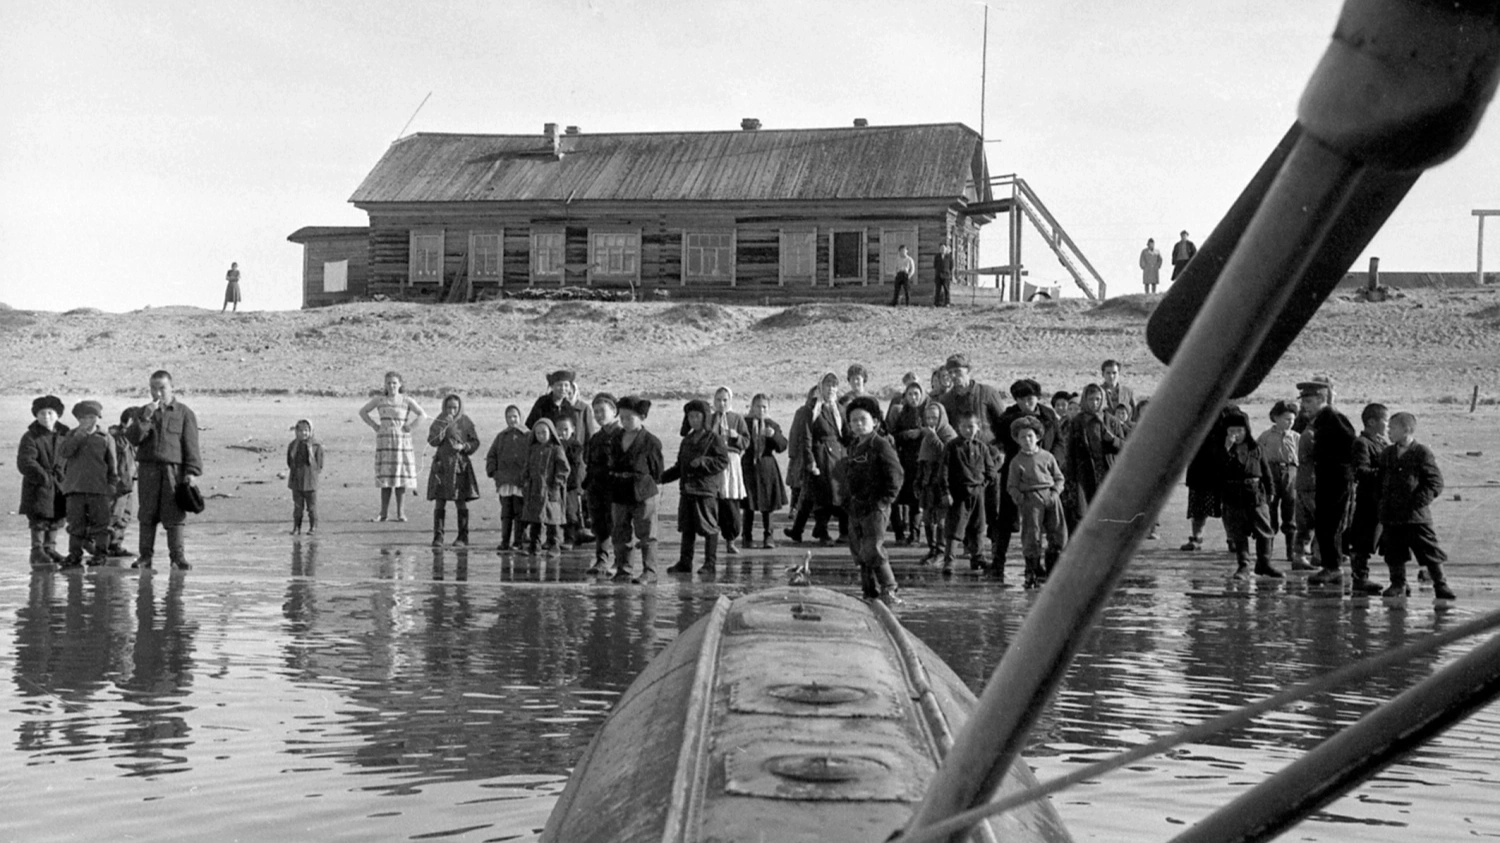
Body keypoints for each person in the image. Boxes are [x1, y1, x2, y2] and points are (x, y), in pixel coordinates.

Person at [125, 370, 201, 570]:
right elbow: (133, 438)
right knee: (147, 513)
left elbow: (191, 444)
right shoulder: (142, 412)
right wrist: (145, 418)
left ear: (171, 387)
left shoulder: (184, 413)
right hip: (148, 469)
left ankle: (177, 557)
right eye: (153, 388)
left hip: (173, 471)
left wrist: (191, 472)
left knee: (174, 514)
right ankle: (145, 557)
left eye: (162, 388)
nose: (157, 393)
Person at [1378, 412, 1455, 600]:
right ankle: (1398, 584)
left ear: (1406, 430)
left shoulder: (1421, 452)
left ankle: (1440, 584)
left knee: (1429, 550)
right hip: (1391, 514)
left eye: (1393, 428)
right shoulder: (1387, 453)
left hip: (1416, 516)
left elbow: (1435, 482)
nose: (1389, 432)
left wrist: (1417, 502)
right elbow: (1380, 480)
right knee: (1393, 552)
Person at [993, 380, 1061, 580]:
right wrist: (1025, 417)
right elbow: (1001, 439)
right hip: (1016, 474)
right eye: (1021, 399)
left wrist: (1051, 460)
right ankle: (999, 563)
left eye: (1030, 398)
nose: (1026, 403)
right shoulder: (1008, 417)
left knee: (1050, 524)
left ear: (1037, 398)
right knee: (1006, 520)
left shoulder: (1048, 415)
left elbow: (1059, 441)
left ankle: (1046, 566)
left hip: (1045, 477)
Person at [840, 397, 904, 605]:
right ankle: (869, 591)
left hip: (876, 506)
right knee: (860, 551)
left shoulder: (881, 445)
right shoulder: (854, 446)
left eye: (863, 419)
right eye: (854, 421)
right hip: (856, 506)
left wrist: (885, 500)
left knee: (872, 548)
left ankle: (889, 588)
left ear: (875, 421)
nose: (858, 424)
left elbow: (896, 474)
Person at [662, 399, 729, 574]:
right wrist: (662, 478)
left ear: (705, 417)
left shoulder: (714, 439)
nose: (693, 420)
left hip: (705, 490)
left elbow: (723, 461)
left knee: (708, 526)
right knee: (687, 528)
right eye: (690, 417)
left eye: (697, 416)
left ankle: (710, 563)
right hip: (687, 489)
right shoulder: (687, 440)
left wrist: (703, 462)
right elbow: (679, 467)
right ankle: (685, 562)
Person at [1303, 376, 1359, 587]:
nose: (1304, 405)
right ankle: (1330, 566)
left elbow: (1350, 445)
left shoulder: (1333, 417)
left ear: (1321, 398)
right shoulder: (1323, 418)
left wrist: (1344, 471)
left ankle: (1332, 567)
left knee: (1330, 524)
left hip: (1336, 478)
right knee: (1324, 523)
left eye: (1308, 401)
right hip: (1327, 477)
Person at [1217, 408, 1283, 580]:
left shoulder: (1256, 448)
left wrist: (1271, 491)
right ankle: (1243, 565)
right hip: (1233, 496)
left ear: (1246, 430)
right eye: (1231, 431)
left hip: (1256, 494)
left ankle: (1264, 563)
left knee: (1264, 530)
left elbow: (1266, 471)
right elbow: (1217, 470)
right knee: (1238, 532)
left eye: (1239, 430)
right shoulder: (1222, 450)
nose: (1236, 434)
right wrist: (1226, 448)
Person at [785, 373, 847, 545]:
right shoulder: (811, 409)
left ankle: (808, 530)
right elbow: (806, 437)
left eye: (834, 385)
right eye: (828, 385)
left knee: (831, 495)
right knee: (821, 495)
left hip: (837, 457)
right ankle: (822, 532)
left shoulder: (839, 409)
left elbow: (845, 434)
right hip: (819, 456)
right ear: (821, 387)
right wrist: (810, 461)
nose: (831, 389)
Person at [358, 371, 427, 522]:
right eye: (389, 383)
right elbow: (363, 412)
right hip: (385, 441)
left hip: (402, 441)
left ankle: (401, 513)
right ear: (385, 385)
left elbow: (422, 414)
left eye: (394, 383)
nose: (391, 386)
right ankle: (383, 513)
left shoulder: (406, 400)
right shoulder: (379, 400)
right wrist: (374, 425)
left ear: (400, 384)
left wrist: (410, 426)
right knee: (386, 478)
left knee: (400, 478)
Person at [1006, 416, 1067, 588]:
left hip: (1050, 496)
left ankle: (1052, 570)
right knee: (1032, 535)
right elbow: (1011, 486)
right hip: (1030, 500)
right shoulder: (1016, 462)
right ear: (1017, 440)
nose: (1027, 440)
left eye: (1030, 436)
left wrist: (1055, 492)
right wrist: (1020, 498)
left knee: (1057, 532)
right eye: (1023, 437)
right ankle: (1031, 571)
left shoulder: (1047, 457)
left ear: (1038, 437)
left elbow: (1059, 478)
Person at [608, 397, 664, 583]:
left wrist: (641, 480)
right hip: (619, 490)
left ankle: (650, 571)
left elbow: (657, 470)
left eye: (629, 418)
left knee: (647, 533)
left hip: (642, 491)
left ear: (641, 417)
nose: (624, 422)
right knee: (620, 532)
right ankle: (624, 569)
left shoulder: (651, 441)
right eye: (621, 418)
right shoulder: (616, 437)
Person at [58, 400, 117, 568]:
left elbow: (112, 465)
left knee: (101, 525)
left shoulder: (105, 438)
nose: (91, 421)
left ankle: (100, 554)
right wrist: (78, 436)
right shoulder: (71, 435)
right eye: (86, 418)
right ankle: (74, 554)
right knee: (76, 525)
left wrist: (112, 486)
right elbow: (64, 452)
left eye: (93, 417)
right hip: (75, 488)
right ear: (78, 419)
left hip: (99, 489)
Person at [942, 411, 997, 576]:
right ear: (958, 428)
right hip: (958, 493)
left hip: (978, 493)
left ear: (978, 428)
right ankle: (949, 561)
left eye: (971, 427)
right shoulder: (952, 447)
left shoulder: (982, 447)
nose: (968, 430)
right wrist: (946, 492)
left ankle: (978, 557)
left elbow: (991, 471)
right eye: (964, 427)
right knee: (955, 528)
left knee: (978, 527)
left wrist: (982, 486)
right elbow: (943, 471)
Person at [18, 395, 69, 568]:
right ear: (36, 415)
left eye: (50, 413)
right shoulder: (30, 436)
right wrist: (43, 477)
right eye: (41, 413)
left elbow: (71, 456)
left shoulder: (65, 434)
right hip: (38, 484)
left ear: (58, 415)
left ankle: (50, 548)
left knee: (57, 514)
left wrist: (65, 476)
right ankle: (37, 550)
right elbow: (26, 461)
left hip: (60, 481)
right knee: (39, 516)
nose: (46, 417)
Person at [1345, 403, 1390, 595]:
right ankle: (1360, 578)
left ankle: (1398, 579)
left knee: (1386, 540)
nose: (1387, 426)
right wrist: (1386, 473)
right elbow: (1361, 471)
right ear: (1372, 422)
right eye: (1385, 421)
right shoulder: (1362, 443)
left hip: (1382, 499)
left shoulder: (1382, 443)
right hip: (1368, 500)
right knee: (1362, 541)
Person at [1063, 383, 1126, 521]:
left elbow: (1125, 447)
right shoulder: (1078, 422)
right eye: (1091, 399)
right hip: (1084, 471)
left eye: (1098, 399)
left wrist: (1113, 439)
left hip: (1107, 468)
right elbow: (1070, 450)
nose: (1094, 403)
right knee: (1085, 509)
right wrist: (1070, 476)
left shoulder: (1111, 421)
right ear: (1085, 400)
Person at [427, 394, 481, 548]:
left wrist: (464, 447)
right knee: (440, 500)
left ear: (459, 407)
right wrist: (443, 427)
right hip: (442, 465)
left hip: (459, 465)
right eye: (449, 407)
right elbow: (432, 441)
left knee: (460, 500)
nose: (451, 410)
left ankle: (463, 536)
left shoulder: (465, 421)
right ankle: (438, 536)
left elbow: (475, 442)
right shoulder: (439, 420)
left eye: (454, 408)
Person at [886, 381, 934, 545]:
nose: (913, 398)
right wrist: (910, 434)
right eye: (910, 394)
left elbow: (931, 434)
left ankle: (914, 535)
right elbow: (893, 435)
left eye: (916, 394)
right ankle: (899, 533)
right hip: (902, 459)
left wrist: (918, 433)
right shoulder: (900, 412)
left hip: (920, 460)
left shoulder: (927, 413)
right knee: (896, 497)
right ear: (905, 396)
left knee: (916, 500)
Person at [1255, 400, 1300, 563]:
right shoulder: (1265, 436)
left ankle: (1291, 552)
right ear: (1275, 418)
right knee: (1270, 511)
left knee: (1291, 513)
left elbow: (1301, 459)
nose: (1290, 423)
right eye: (1286, 419)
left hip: (1291, 473)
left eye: (1292, 420)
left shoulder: (1296, 437)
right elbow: (1257, 457)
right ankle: (1267, 552)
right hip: (1270, 473)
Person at [741, 394, 788, 549]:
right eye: (758, 406)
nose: (761, 410)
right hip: (748, 465)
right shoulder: (745, 423)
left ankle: (769, 536)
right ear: (752, 407)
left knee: (768, 504)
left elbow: (782, 446)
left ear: (768, 409)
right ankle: (746, 535)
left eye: (764, 407)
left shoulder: (772, 425)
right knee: (748, 503)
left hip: (767, 466)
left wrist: (773, 436)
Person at [582, 393, 621, 572]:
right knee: (599, 526)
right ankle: (601, 559)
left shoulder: (621, 435)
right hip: (596, 488)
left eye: (602, 411)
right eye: (595, 412)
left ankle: (620, 562)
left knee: (618, 526)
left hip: (615, 488)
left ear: (614, 411)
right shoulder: (595, 438)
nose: (599, 415)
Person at [710, 386, 751, 554]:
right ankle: (711, 541)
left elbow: (747, 441)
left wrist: (737, 437)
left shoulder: (737, 418)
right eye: (719, 400)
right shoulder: (710, 419)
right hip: (713, 463)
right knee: (714, 501)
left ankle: (731, 540)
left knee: (731, 502)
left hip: (731, 462)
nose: (722, 403)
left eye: (725, 400)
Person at [915, 402, 957, 564]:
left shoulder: (948, 433)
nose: (931, 421)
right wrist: (918, 481)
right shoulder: (927, 435)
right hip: (928, 479)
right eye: (928, 418)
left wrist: (933, 437)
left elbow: (948, 455)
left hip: (942, 480)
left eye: (934, 417)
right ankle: (932, 548)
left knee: (941, 519)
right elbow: (922, 459)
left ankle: (941, 550)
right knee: (927, 517)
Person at [520, 418, 569, 554]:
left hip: (550, 489)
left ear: (551, 432)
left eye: (544, 432)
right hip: (534, 489)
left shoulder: (556, 449)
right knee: (534, 519)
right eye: (538, 433)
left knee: (552, 519)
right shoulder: (533, 449)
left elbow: (564, 468)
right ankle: (534, 546)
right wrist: (525, 481)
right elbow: (527, 466)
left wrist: (556, 483)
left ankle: (554, 545)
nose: (541, 436)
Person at [484, 405, 530, 551]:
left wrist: (528, 474)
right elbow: (492, 455)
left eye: (515, 416)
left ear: (520, 417)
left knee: (519, 512)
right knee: (506, 512)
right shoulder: (501, 437)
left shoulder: (528, 436)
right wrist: (493, 471)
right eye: (509, 417)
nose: (512, 420)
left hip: (520, 481)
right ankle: (504, 541)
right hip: (504, 481)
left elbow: (533, 455)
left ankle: (518, 541)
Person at [106, 408, 137, 558]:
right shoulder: (116, 437)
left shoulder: (133, 438)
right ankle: (101, 545)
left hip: (130, 481)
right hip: (118, 482)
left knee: (125, 514)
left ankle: (115, 545)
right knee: (114, 514)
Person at [286, 419, 324, 536]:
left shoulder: (316, 446)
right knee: (298, 508)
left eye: (306, 431)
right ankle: (296, 528)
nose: (303, 433)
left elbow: (319, 464)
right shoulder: (293, 446)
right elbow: (289, 462)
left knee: (311, 508)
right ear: (296, 431)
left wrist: (312, 474)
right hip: (296, 482)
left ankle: (313, 527)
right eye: (301, 430)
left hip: (311, 482)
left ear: (311, 431)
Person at [556, 416, 585, 549]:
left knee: (570, 512)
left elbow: (574, 461)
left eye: (565, 429)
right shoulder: (554, 445)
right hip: (558, 483)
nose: (562, 433)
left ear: (572, 430)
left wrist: (564, 445)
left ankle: (570, 539)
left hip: (572, 484)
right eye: (559, 430)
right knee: (558, 511)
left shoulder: (575, 445)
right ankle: (556, 538)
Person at [933, 241, 954, 307]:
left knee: (946, 290)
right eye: (941, 248)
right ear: (939, 249)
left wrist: (948, 273)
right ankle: (936, 303)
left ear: (946, 249)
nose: (942, 249)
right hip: (938, 275)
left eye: (944, 248)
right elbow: (935, 265)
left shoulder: (949, 257)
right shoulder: (937, 256)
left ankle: (947, 303)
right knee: (937, 290)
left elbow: (951, 266)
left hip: (946, 275)